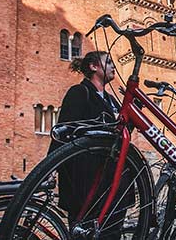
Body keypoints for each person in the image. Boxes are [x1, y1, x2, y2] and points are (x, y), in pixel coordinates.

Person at [53, 51, 124, 238]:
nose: (113, 66)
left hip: (109, 182)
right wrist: (51, 168)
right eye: (108, 62)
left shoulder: (111, 100)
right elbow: (63, 132)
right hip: (84, 181)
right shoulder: (79, 92)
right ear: (94, 66)